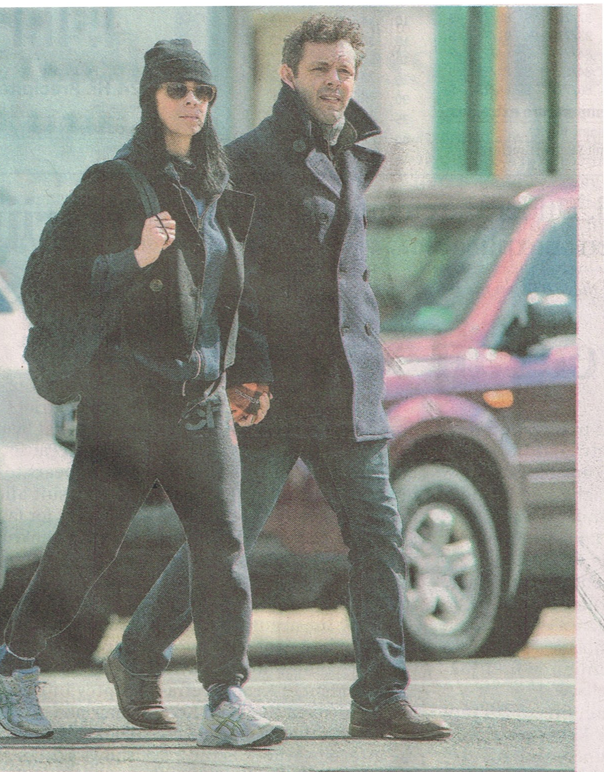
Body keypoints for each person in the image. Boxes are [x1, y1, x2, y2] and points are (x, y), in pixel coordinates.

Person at [108, 16, 452, 742]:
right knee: (227, 538)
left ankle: (381, 695)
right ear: (288, 76)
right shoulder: (244, 161)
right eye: (321, 69)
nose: (335, 81)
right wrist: (244, 369)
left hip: (344, 387)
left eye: (345, 71)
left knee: (378, 534)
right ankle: (137, 654)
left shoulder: (355, 155)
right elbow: (221, 278)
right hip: (268, 390)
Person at [0, 38, 285, 750]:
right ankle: (12, 664)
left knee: (223, 546)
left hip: (201, 401)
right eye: (177, 90)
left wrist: (251, 369)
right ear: (151, 98)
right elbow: (42, 286)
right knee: (87, 547)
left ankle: (224, 697)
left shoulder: (218, 186)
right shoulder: (111, 184)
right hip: (125, 400)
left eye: (201, 92)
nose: (191, 103)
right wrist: (131, 258)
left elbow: (236, 294)